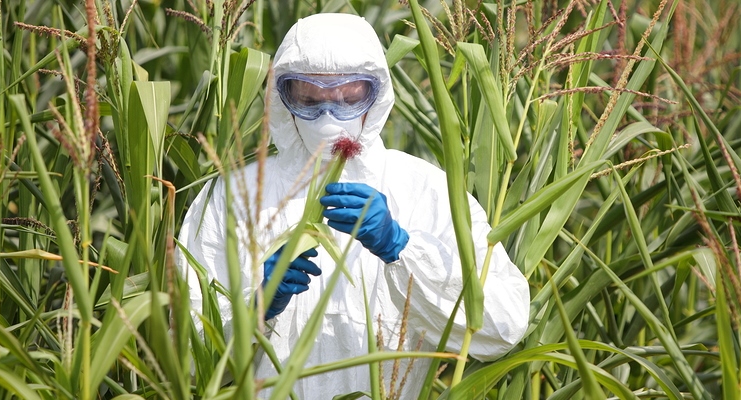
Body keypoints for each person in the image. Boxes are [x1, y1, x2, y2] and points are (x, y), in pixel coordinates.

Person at [177, 13, 529, 399]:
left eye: (349, 96)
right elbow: (190, 360)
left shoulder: (424, 189)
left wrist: (402, 248)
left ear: (375, 97)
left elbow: (502, 328)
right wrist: (260, 304)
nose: (328, 114)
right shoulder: (234, 196)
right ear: (282, 98)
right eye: (308, 97)